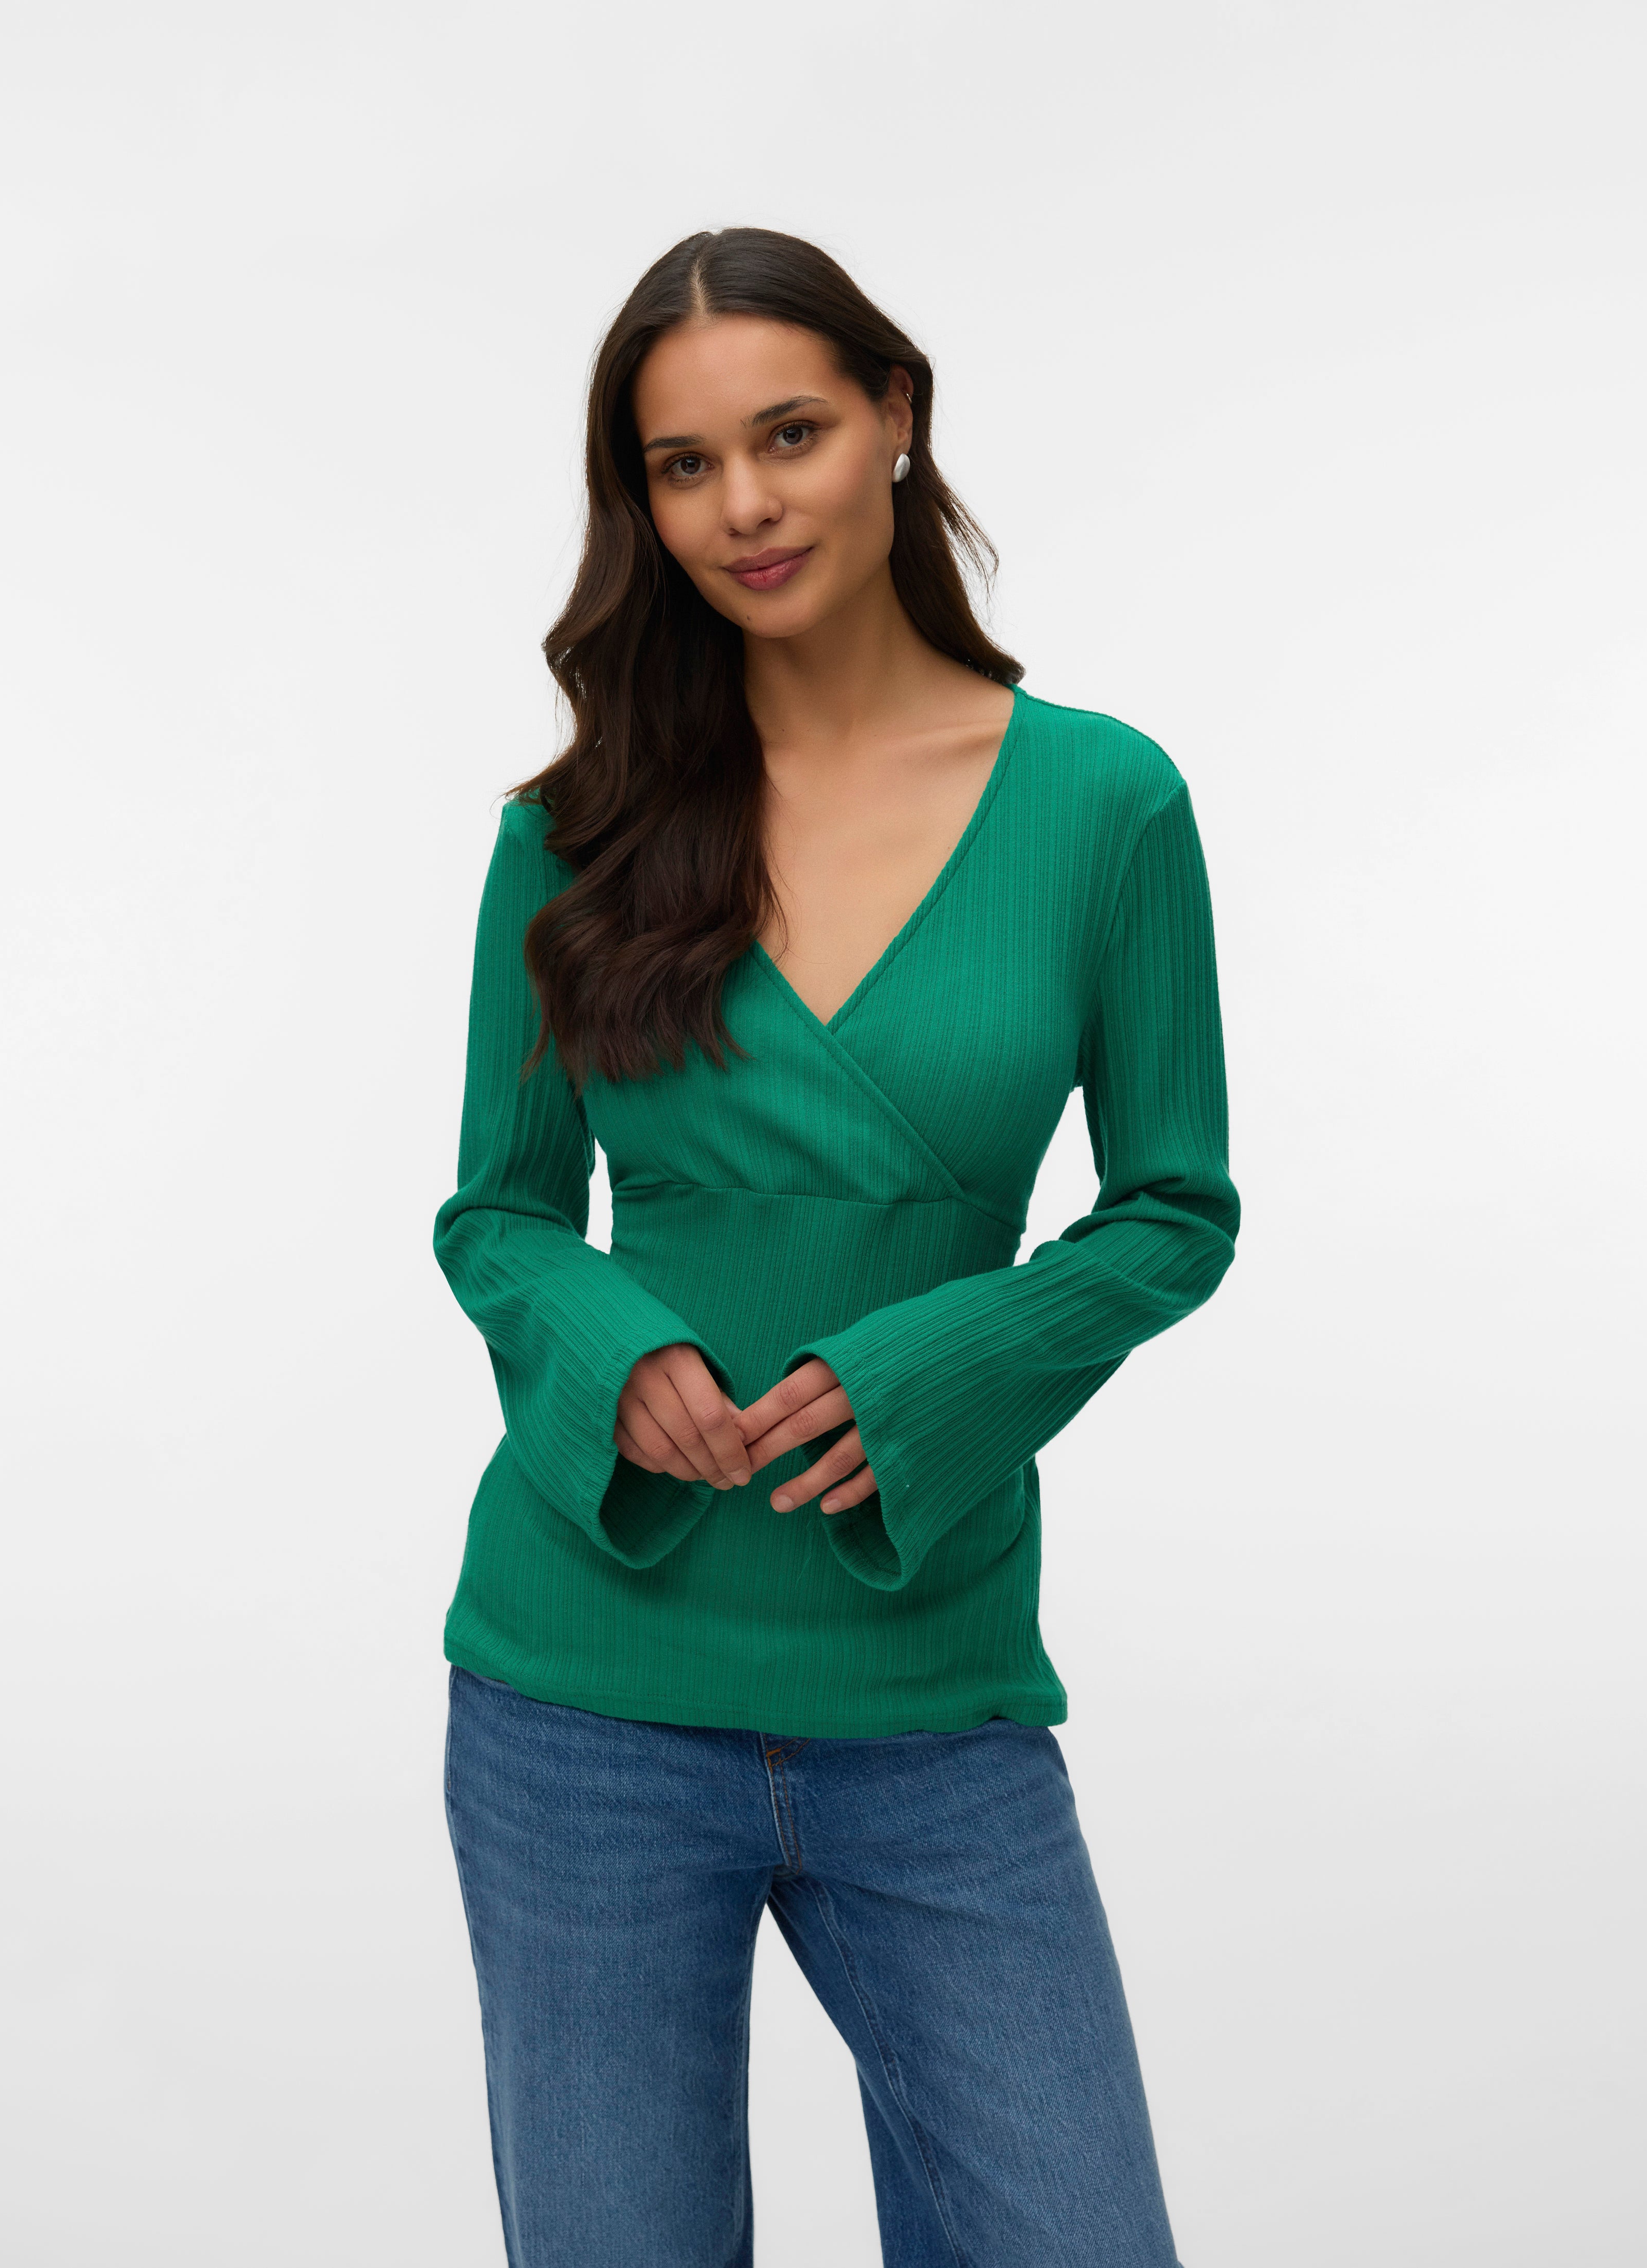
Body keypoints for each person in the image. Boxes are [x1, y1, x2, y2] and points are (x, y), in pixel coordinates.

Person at [433, 225, 1239, 2268]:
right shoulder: (575, 826)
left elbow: (1174, 1208)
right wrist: (613, 1350)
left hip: (932, 1683)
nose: (744, 504)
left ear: (895, 414)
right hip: (581, 1695)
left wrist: (931, 1371)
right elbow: (500, 1210)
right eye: (682, 465)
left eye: (785, 433)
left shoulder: (1105, 803)